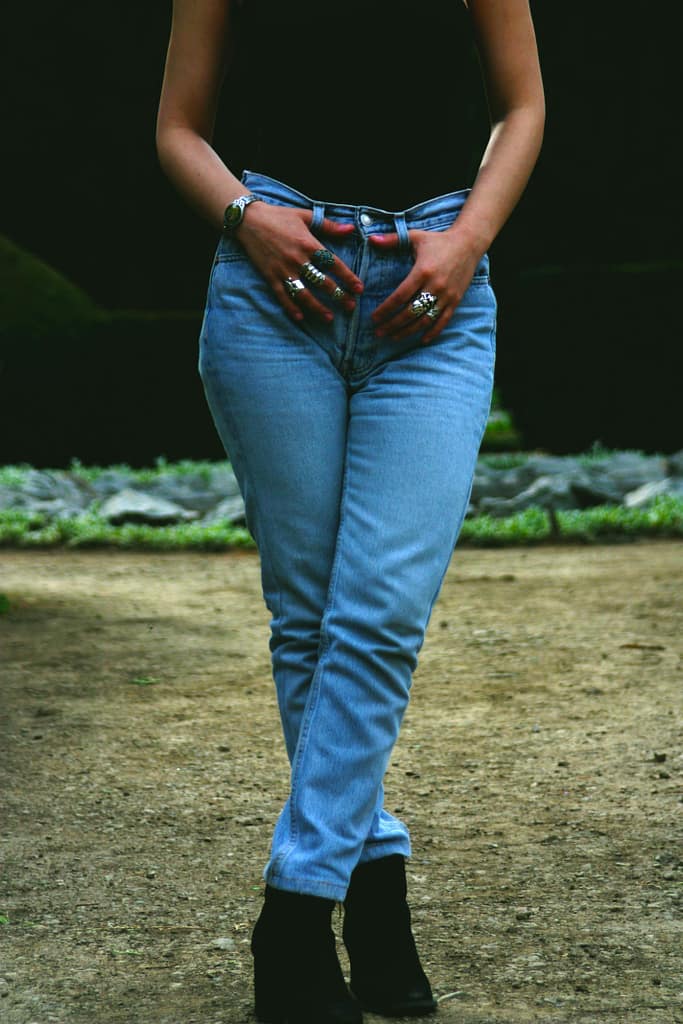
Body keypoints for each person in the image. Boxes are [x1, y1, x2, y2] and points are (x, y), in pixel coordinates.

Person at [156, 1, 544, 1020]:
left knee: (373, 616)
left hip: (434, 293)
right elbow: (176, 127)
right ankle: (373, 894)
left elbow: (523, 103)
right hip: (273, 286)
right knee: (310, 619)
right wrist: (248, 217)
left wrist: (464, 242)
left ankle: (293, 911)